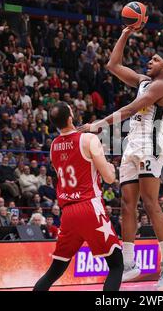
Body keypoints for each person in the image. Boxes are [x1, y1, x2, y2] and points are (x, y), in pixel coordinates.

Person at [79, 26, 163, 288]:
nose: (150, 61)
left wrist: (99, 124)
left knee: (149, 203)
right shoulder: (144, 81)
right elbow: (113, 64)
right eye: (151, 58)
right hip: (132, 144)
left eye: (156, 59)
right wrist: (125, 33)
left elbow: (134, 107)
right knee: (126, 203)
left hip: (150, 144)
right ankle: (129, 262)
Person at [33, 102, 123, 292]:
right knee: (116, 265)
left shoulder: (53, 146)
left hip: (67, 212)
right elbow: (108, 177)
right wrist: (112, 170)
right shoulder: (88, 139)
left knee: (54, 271)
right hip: (89, 205)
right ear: (70, 117)